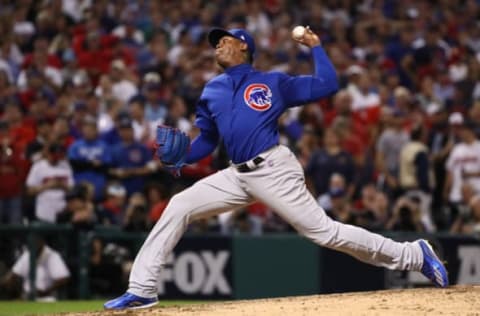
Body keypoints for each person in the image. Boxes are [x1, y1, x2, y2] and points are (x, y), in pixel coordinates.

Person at [104, 27, 448, 310]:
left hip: (272, 168)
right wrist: (181, 156)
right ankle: (143, 288)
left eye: (225, 39)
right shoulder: (212, 90)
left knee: (324, 233)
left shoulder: (272, 82)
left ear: (244, 47)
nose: (218, 44)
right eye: (215, 42)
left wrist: (317, 47)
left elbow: (327, 85)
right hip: (236, 174)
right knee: (178, 205)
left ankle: (413, 254)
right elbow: (207, 141)